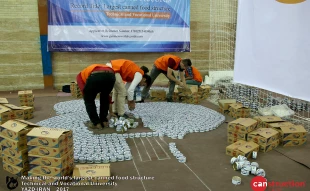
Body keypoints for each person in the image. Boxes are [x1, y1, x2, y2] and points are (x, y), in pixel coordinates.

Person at [76, 64, 116, 129]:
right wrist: (109, 101)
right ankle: (104, 121)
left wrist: (89, 97)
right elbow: (107, 96)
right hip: (111, 76)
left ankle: (96, 123)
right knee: (104, 97)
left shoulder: (79, 77)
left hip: (95, 76)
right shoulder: (91, 69)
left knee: (89, 101)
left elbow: (85, 94)